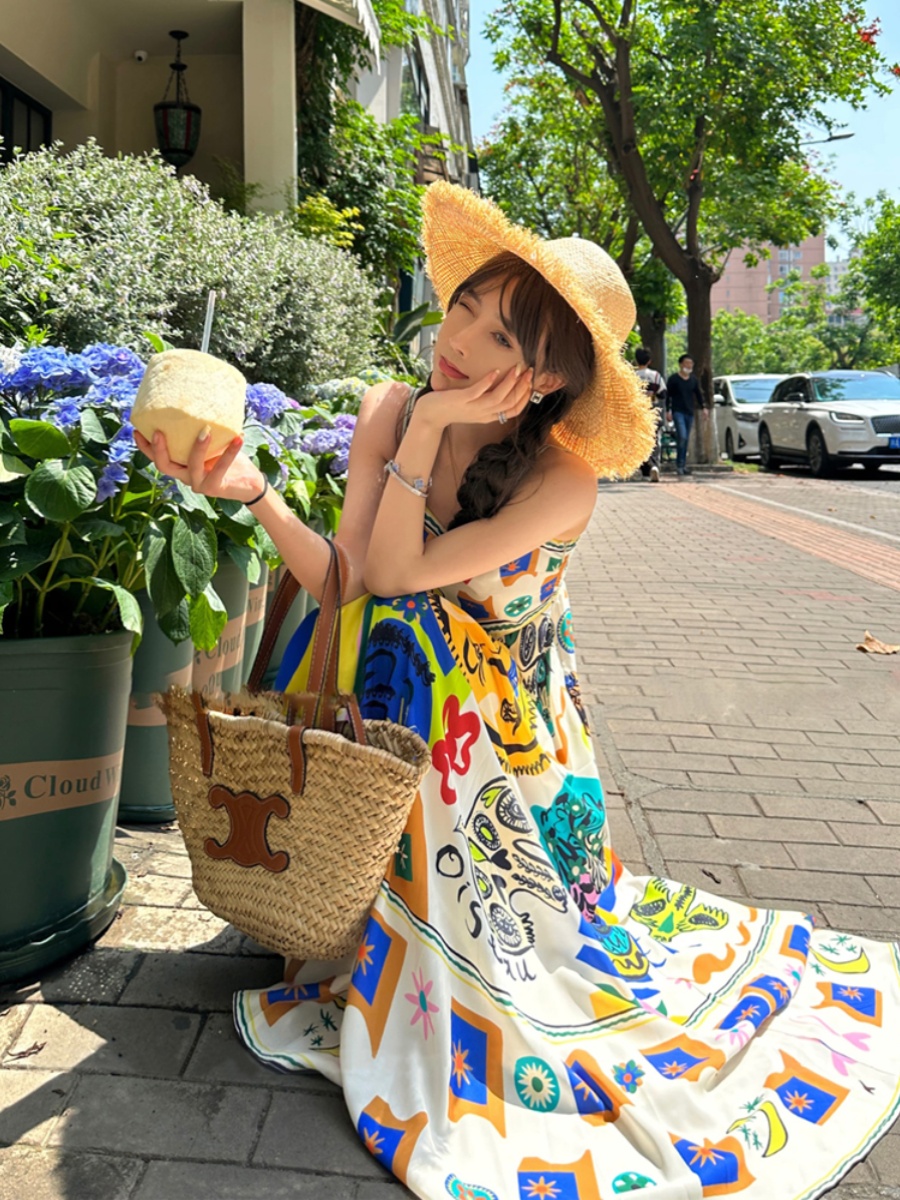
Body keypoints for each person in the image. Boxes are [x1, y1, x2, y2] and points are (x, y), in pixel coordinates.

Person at [136, 183, 900, 1200]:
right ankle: (350, 898)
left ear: (542, 379)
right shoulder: (390, 406)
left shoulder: (564, 478)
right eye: (464, 308)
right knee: (390, 629)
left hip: (506, 739)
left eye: (499, 335)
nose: (459, 340)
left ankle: (417, 933)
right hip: (398, 692)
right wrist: (260, 495)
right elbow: (346, 580)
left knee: (414, 629)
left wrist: (426, 433)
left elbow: (403, 577)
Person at [666, 352, 708, 475]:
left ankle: (682, 465)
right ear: (680, 364)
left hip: (689, 412)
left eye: (691, 363)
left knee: (685, 439)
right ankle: (679, 465)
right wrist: (668, 410)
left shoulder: (693, 380)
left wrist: (704, 407)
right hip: (677, 411)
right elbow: (668, 396)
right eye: (686, 363)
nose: (689, 366)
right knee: (682, 436)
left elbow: (698, 394)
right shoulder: (673, 379)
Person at [634, 346, 666, 481]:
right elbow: (663, 393)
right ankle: (654, 465)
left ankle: (643, 469)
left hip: (636, 412)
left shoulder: (631, 376)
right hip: (652, 411)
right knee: (654, 440)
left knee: (638, 440)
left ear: (636, 360)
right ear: (649, 361)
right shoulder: (655, 376)